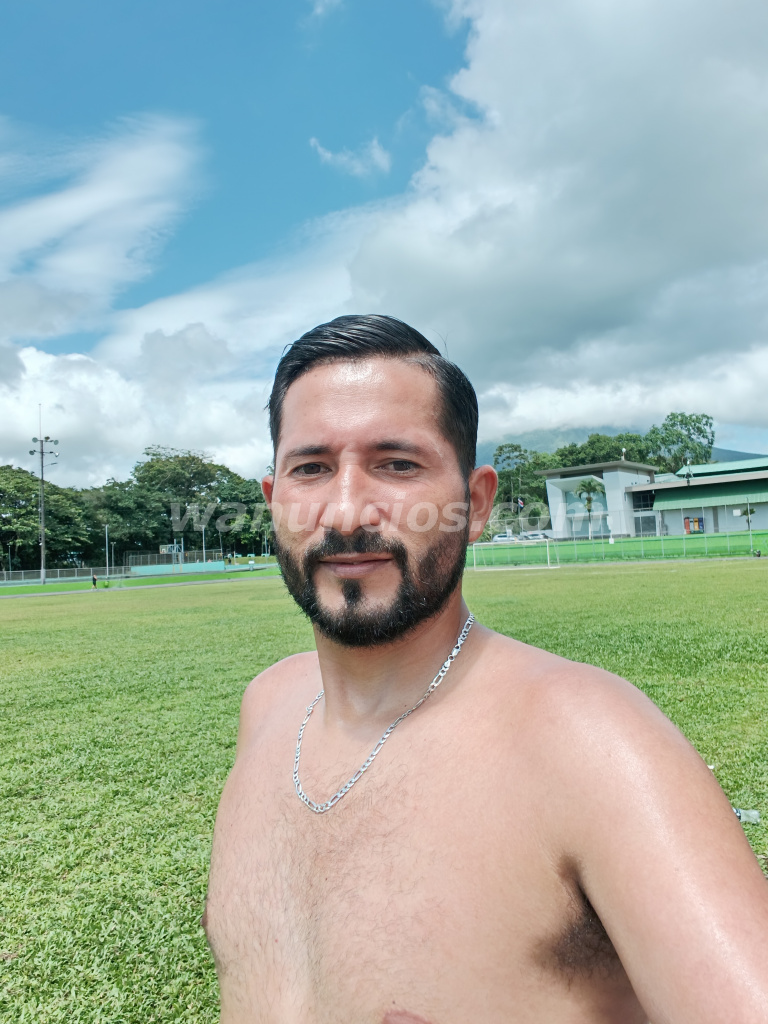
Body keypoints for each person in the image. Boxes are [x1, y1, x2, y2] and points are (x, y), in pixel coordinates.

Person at [204, 315, 768, 1023]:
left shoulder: (590, 741)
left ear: (473, 505)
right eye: (311, 468)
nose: (345, 512)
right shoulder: (267, 706)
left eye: (397, 464)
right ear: (274, 501)